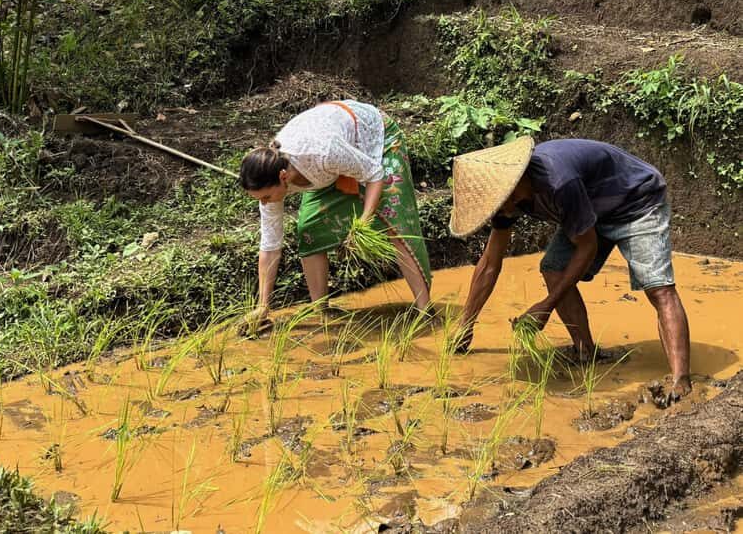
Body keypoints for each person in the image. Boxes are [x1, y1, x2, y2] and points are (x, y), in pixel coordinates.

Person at [449, 136, 692, 400]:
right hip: (591, 208)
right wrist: (466, 324)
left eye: (502, 202)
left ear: (515, 183)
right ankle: (586, 352)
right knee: (553, 267)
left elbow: (587, 247)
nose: (502, 210)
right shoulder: (507, 201)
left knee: (658, 288)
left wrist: (546, 305)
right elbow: (489, 263)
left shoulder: (559, 182)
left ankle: (681, 380)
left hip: (636, 202)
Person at [239, 100, 432, 330]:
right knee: (309, 228)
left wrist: (363, 222)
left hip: (375, 138)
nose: (265, 203)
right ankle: (321, 310)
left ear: (282, 177)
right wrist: (263, 306)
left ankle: (425, 310)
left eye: (266, 197)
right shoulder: (271, 178)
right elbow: (270, 246)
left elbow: (374, 173)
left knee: (394, 222)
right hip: (331, 164)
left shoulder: (322, 152)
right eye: (260, 199)